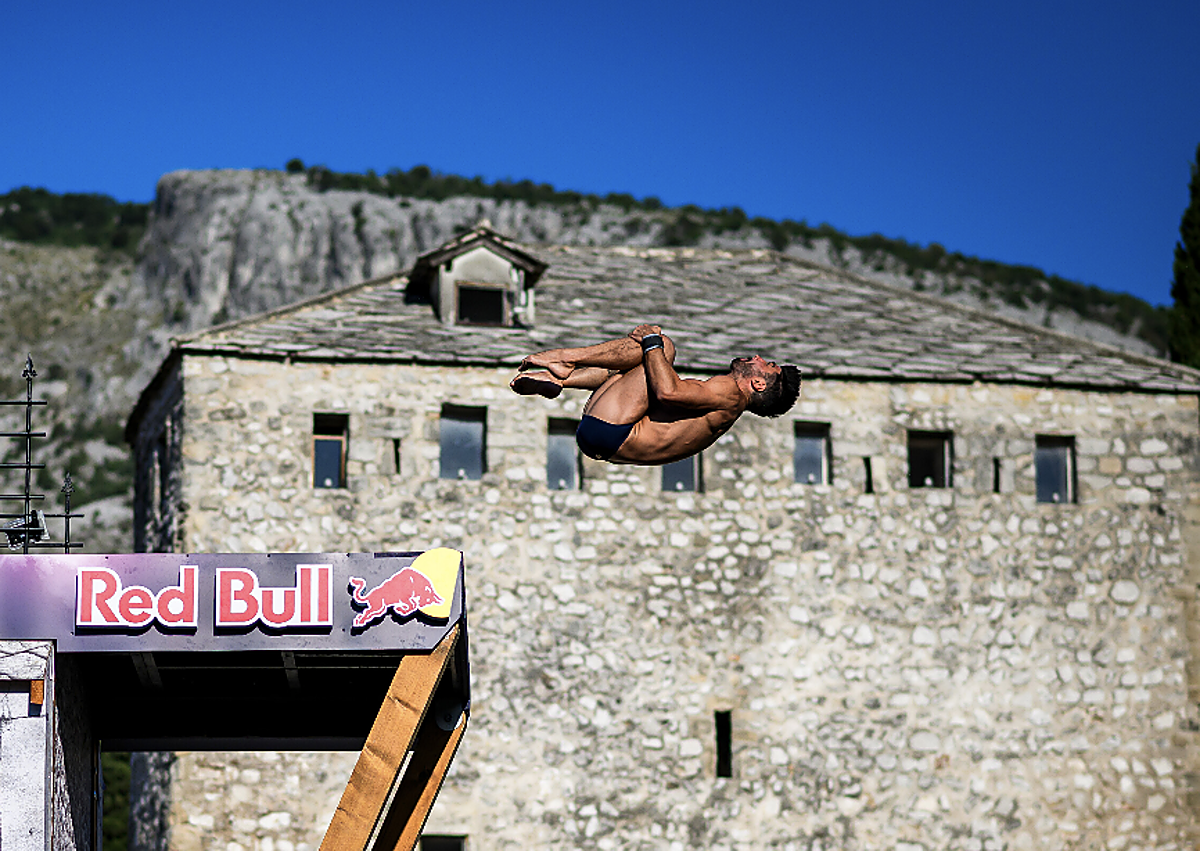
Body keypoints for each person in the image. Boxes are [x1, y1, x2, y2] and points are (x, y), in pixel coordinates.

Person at [510, 324, 801, 465]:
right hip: (605, 437)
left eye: (767, 365)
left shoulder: (731, 394)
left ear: (759, 385)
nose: (759, 357)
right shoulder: (723, 407)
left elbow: (668, 392)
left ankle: (564, 359)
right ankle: (561, 380)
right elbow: (653, 389)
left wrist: (651, 340)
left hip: (615, 429)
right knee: (645, 366)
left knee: (663, 346)